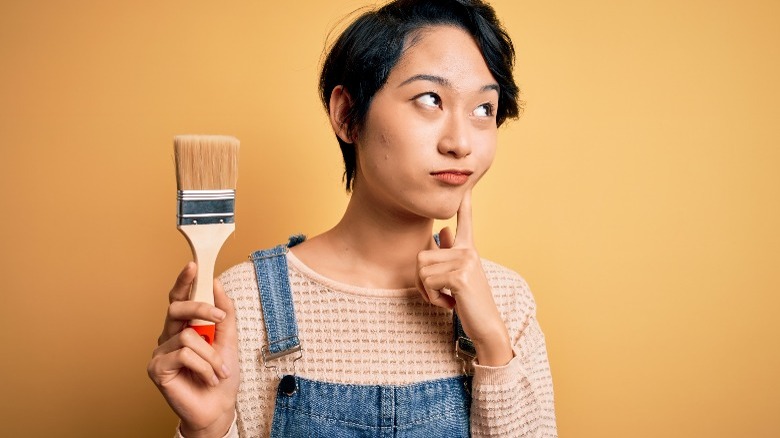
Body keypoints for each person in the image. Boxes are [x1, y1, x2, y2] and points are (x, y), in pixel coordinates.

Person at [147, 0, 557, 436]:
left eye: (483, 110)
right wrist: (208, 428)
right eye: (430, 99)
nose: (461, 142)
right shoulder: (240, 304)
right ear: (347, 115)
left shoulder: (508, 303)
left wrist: (492, 343)